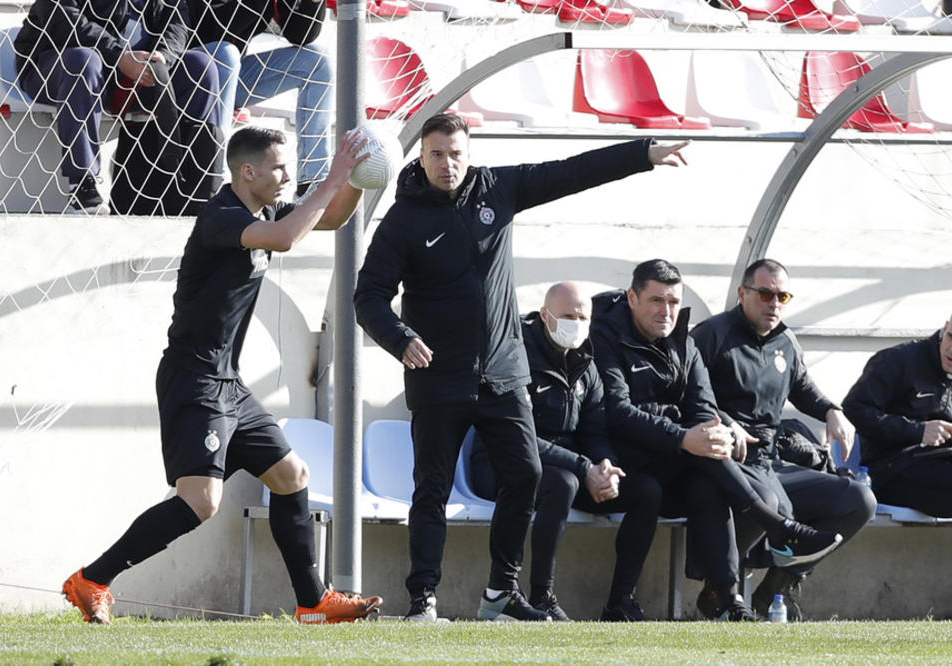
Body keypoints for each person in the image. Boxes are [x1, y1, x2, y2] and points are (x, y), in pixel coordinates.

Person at [353, 112, 692, 622]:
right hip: (439, 378)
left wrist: (642, 153)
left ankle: (500, 595)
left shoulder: (498, 189)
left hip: (504, 374)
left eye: (456, 154)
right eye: (437, 155)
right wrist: (400, 339)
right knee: (432, 488)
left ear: (470, 154)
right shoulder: (404, 219)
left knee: (528, 473)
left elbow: (569, 172)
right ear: (421, 158)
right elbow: (369, 297)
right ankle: (422, 600)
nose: (448, 165)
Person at [61, 126, 382, 625]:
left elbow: (335, 215)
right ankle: (93, 579)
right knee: (201, 503)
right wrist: (335, 174)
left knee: (291, 474)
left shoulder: (262, 208)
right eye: (278, 167)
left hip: (227, 381)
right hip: (193, 378)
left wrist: (359, 176)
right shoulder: (221, 215)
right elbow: (286, 239)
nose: (288, 175)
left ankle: (312, 601)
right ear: (247, 172)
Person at [590, 259, 844, 622]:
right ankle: (780, 531)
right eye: (656, 301)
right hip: (623, 459)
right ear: (632, 298)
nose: (667, 312)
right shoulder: (605, 338)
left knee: (709, 477)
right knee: (694, 464)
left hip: (674, 460)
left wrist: (713, 431)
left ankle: (728, 600)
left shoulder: (682, 341)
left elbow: (703, 405)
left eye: (674, 303)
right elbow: (618, 411)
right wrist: (684, 437)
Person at [690, 258, 876, 620]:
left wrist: (831, 411)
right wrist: (726, 422)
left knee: (859, 499)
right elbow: (690, 396)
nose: (774, 303)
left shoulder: (785, 341)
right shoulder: (712, 335)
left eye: (783, 296)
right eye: (765, 294)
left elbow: (802, 387)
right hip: (723, 459)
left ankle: (776, 589)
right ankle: (719, 588)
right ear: (743, 293)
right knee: (768, 500)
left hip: (770, 461)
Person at [469, 282, 659, 622]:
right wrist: (584, 467)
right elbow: (519, 437)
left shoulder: (587, 363)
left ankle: (619, 603)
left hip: (570, 468)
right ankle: (542, 596)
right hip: (500, 466)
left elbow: (595, 430)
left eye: (582, 317)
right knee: (563, 482)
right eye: (567, 316)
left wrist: (605, 469)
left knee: (646, 491)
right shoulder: (516, 356)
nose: (576, 323)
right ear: (545, 316)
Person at [14, 0, 221, 214]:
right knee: (84, 60)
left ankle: (195, 185)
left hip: (133, 69)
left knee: (200, 68)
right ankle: (82, 185)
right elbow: (62, 19)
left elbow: (177, 18)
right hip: (60, 64)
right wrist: (119, 55)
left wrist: (163, 55)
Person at [188, 0, 333, 199]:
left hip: (232, 74)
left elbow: (300, 34)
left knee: (319, 61)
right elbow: (206, 22)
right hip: (185, 68)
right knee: (226, 54)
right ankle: (216, 183)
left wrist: (312, 3)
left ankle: (313, 188)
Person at [842, 304, 952, 518]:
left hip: (945, 460)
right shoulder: (898, 361)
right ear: (944, 328)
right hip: (892, 468)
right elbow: (854, 409)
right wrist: (917, 431)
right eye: (951, 337)